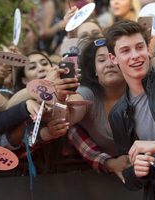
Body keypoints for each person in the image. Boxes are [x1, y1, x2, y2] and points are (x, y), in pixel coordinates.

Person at [105, 19, 155, 200]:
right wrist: (138, 171)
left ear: (147, 49)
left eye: (139, 47)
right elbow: (130, 178)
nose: (135, 55)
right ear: (113, 58)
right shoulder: (118, 114)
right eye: (125, 50)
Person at [54, 36, 130, 179]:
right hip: (100, 178)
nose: (109, 64)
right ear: (94, 70)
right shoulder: (87, 93)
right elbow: (66, 119)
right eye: (101, 60)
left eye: (114, 57)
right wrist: (61, 98)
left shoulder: (142, 89)